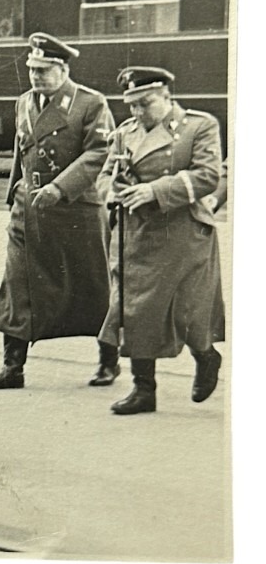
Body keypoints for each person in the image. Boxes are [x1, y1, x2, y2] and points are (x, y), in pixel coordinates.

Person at [0, 32, 120, 390]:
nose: (36, 76)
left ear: (63, 69)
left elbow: (100, 151)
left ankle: (109, 360)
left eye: (43, 70)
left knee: (94, 288)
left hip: (75, 210)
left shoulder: (90, 103)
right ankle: (12, 367)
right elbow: (22, 153)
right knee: (17, 284)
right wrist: (14, 194)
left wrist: (59, 188)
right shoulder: (24, 102)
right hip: (29, 209)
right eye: (32, 69)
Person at [97, 67, 226, 415]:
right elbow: (106, 174)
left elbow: (208, 176)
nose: (138, 112)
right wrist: (112, 192)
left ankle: (206, 355)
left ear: (167, 96)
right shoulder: (125, 133)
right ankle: (143, 389)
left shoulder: (199, 126)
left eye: (146, 103)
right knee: (134, 307)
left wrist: (154, 190)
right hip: (136, 232)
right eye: (133, 105)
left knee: (187, 309)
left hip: (182, 231)